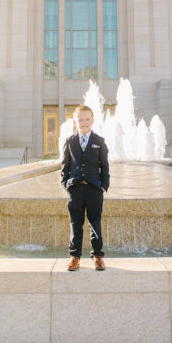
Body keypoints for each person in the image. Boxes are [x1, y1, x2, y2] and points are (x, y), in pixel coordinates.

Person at [60, 104, 109, 271]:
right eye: (81, 119)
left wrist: (104, 186)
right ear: (75, 121)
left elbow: (105, 165)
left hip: (94, 188)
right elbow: (65, 165)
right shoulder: (69, 142)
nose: (84, 122)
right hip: (75, 189)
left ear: (93, 120)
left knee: (95, 222)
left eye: (87, 119)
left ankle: (98, 256)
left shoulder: (99, 142)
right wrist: (66, 184)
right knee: (76, 222)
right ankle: (74, 256)